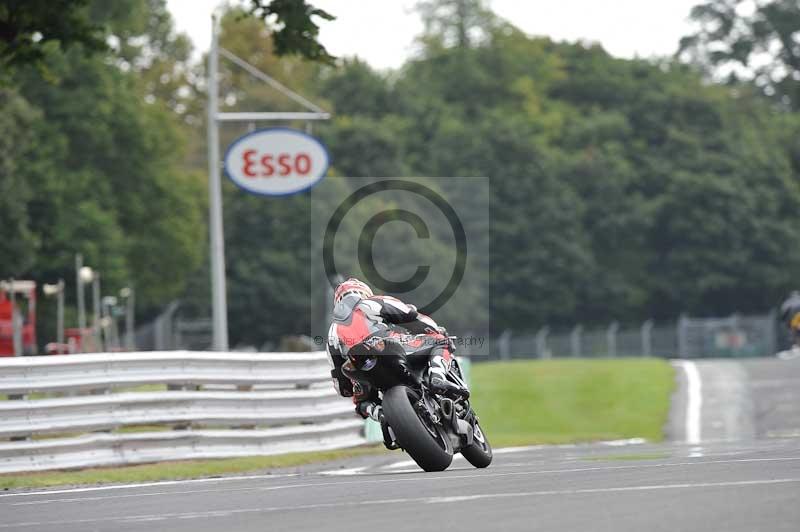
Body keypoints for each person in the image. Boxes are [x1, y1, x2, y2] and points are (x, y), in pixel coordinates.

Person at [325, 278, 465, 447]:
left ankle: (380, 414)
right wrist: (433, 329)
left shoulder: (332, 333)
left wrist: (355, 389)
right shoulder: (371, 302)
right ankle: (437, 376)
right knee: (440, 340)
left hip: (361, 367)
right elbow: (410, 315)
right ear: (363, 292)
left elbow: (342, 386)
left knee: (361, 401)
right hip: (388, 346)